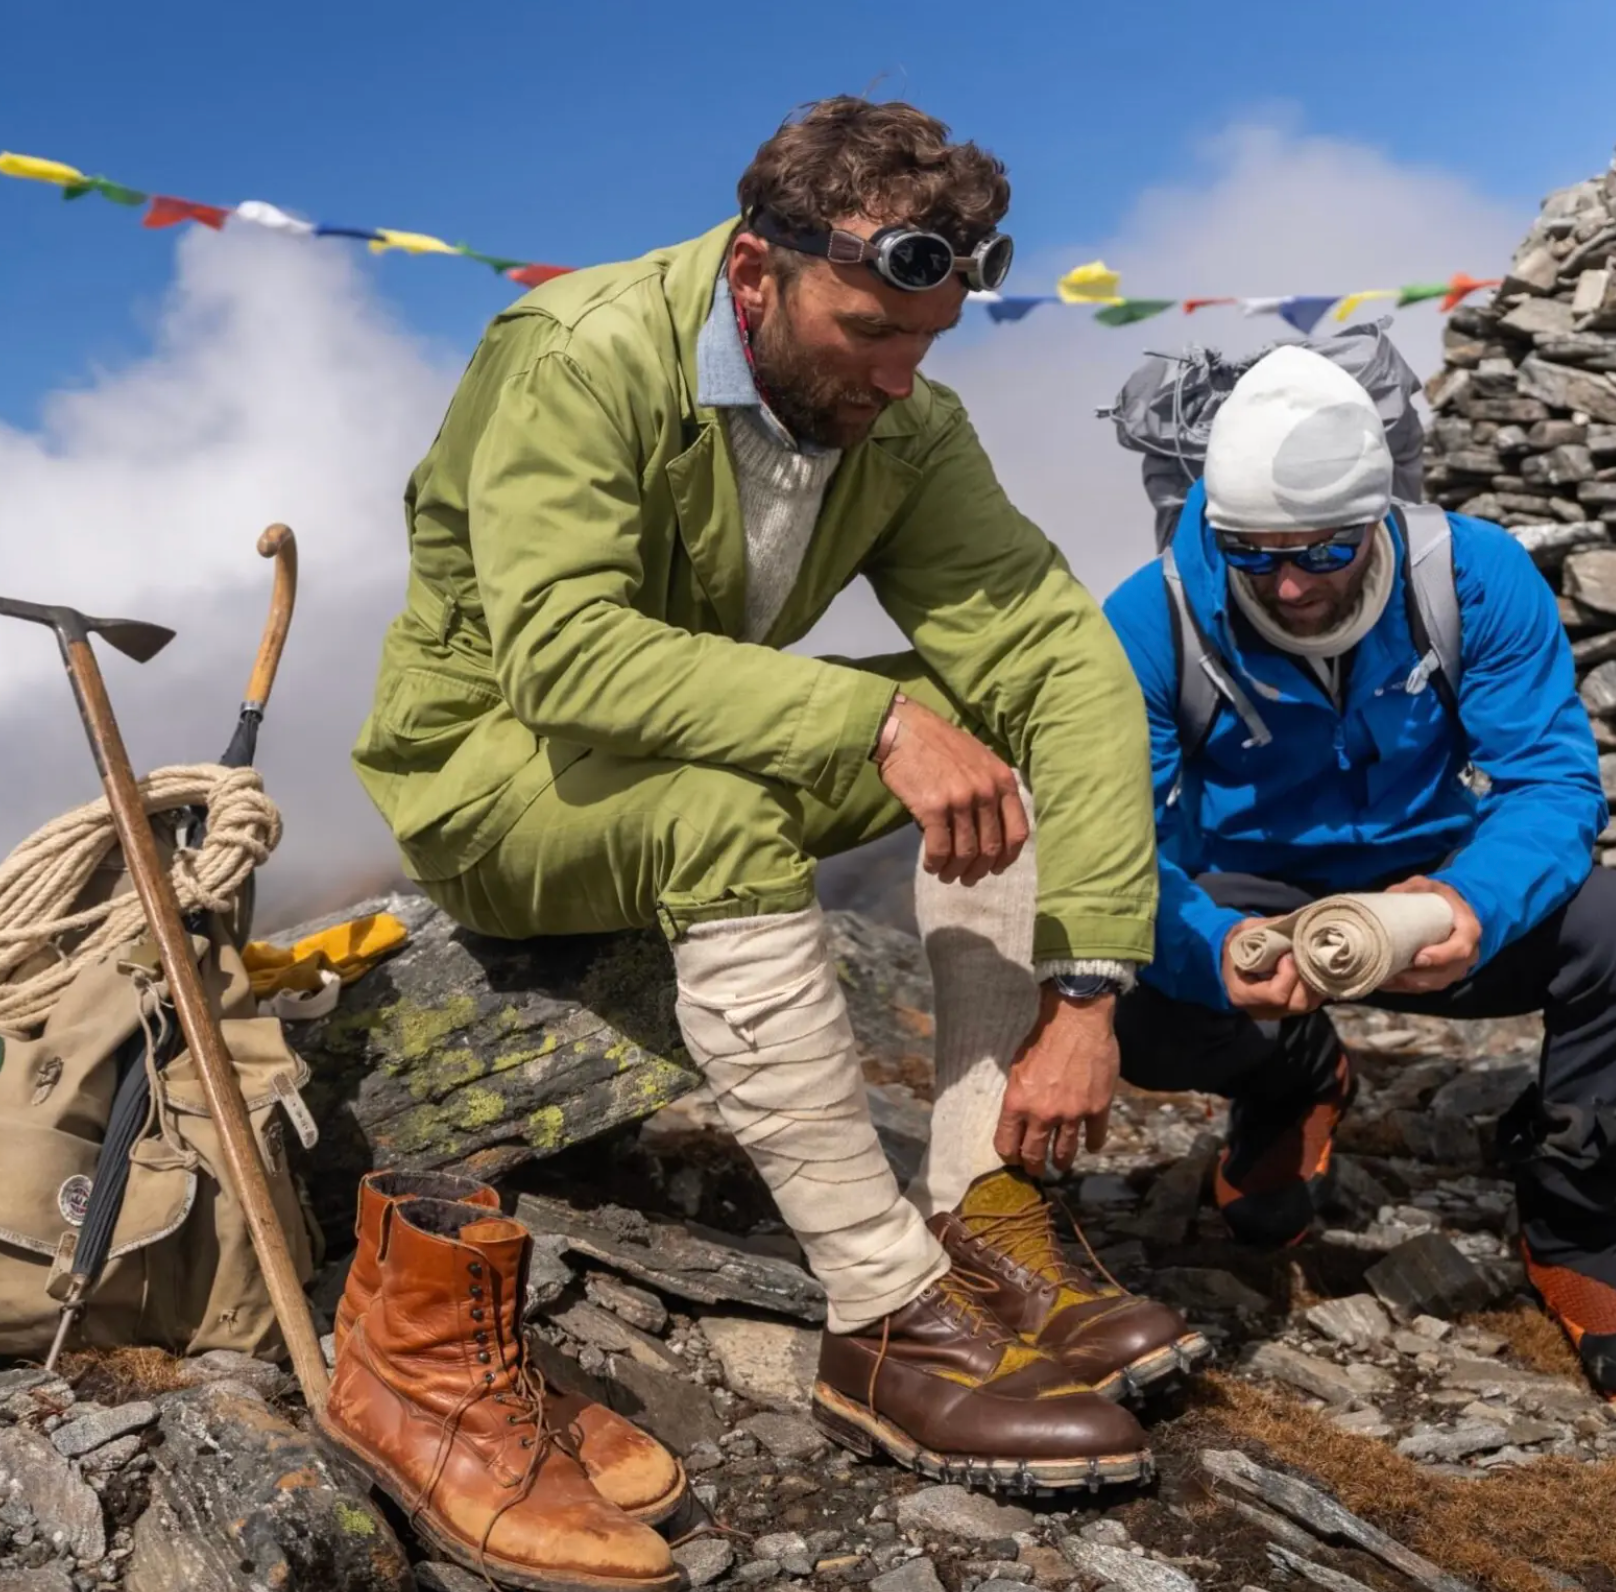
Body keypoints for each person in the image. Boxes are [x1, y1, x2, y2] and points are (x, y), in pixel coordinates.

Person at [348, 95, 1202, 1520]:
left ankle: (984, 1209)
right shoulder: (579, 354)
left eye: (924, 345)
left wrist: (1095, 980)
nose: (894, 379)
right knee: (727, 812)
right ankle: (882, 1317)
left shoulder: (902, 421)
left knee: (1000, 710)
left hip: (703, 744)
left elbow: (1062, 659)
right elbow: (560, 655)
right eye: (868, 336)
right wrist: (872, 716)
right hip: (496, 777)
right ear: (759, 272)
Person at [1101, 344, 1616, 1409]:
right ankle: (1292, 1080)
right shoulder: (1154, 619)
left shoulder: (1471, 575)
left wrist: (1472, 902)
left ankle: (1585, 1228)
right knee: (1143, 997)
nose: (1287, 583)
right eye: (1251, 552)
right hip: (1260, 911)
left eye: (1323, 549)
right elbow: (1116, 844)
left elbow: (1554, 785)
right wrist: (1214, 950)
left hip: (1439, 887)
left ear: (1376, 515)